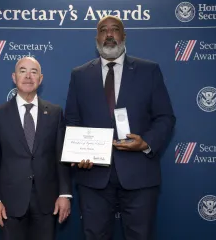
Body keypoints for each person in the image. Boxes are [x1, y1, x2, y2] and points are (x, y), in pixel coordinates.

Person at [65, 16, 176, 240]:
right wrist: (79, 154)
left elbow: (165, 117)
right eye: (103, 30)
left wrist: (147, 143)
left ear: (123, 36)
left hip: (139, 175)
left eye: (114, 30)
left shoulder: (149, 71)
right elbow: (72, 120)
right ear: (96, 37)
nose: (108, 35)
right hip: (93, 175)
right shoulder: (80, 75)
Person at [0, 57, 72, 240]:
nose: (28, 76)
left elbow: (60, 157)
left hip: (47, 202)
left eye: (34, 72)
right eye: (22, 71)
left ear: (40, 79)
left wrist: (65, 194)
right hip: (10, 203)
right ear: (14, 77)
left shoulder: (55, 113)